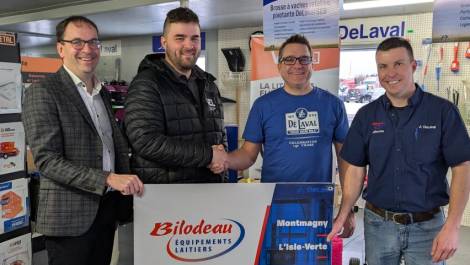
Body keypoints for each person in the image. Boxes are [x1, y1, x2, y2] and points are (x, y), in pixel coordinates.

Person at [328, 37, 470, 265]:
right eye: (383, 66)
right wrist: (344, 213)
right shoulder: (366, 116)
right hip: (378, 225)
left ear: (413, 66)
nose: (390, 73)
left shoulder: (442, 112)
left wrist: (453, 226)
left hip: (427, 227)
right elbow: (355, 170)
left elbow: (462, 168)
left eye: (398, 64)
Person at [22, 16, 144, 265]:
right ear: (60, 48)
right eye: (77, 42)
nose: (87, 49)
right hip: (68, 216)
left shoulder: (102, 93)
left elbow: (110, 145)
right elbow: (48, 161)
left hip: (106, 209)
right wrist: (107, 178)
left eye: (93, 42)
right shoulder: (43, 92)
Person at [210, 34, 355, 236]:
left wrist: (346, 208)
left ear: (312, 65)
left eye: (304, 59)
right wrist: (225, 159)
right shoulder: (263, 106)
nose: (297, 65)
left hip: (317, 201)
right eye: (289, 59)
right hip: (274, 200)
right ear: (279, 66)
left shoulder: (332, 105)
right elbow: (248, 155)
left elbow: (346, 161)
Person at [124, 7, 226, 184]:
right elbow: (146, 141)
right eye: (180, 38)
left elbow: (218, 133)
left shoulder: (208, 84)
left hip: (208, 191)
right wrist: (209, 155)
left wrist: (222, 155)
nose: (189, 45)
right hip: (166, 197)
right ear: (164, 42)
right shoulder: (146, 84)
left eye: (195, 38)